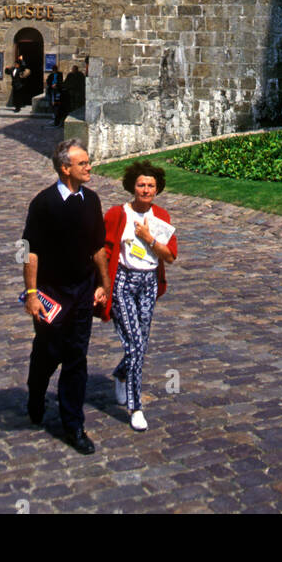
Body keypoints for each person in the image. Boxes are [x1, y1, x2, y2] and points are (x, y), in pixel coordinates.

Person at [21, 141, 109, 453]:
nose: (89, 167)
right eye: (83, 163)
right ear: (65, 168)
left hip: (83, 292)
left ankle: (74, 426)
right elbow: (28, 251)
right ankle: (36, 392)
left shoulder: (92, 201)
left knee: (76, 358)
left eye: (88, 162)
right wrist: (32, 294)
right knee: (48, 352)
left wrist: (104, 284)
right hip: (51, 293)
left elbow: (99, 247)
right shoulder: (43, 204)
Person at [102, 162, 177, 431]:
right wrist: (102, 286)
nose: (146, 190)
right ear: (132, 186)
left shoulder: (161, 217)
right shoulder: (117, 214)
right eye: (141, 185)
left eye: (151, 186)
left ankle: (122, 375)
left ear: (157, 189)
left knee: (140, 344)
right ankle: (135, 407)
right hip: (123, 281)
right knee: (135, 343)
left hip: (148, 283)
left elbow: (170, 256)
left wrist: (149, 238)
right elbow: (104, 251)